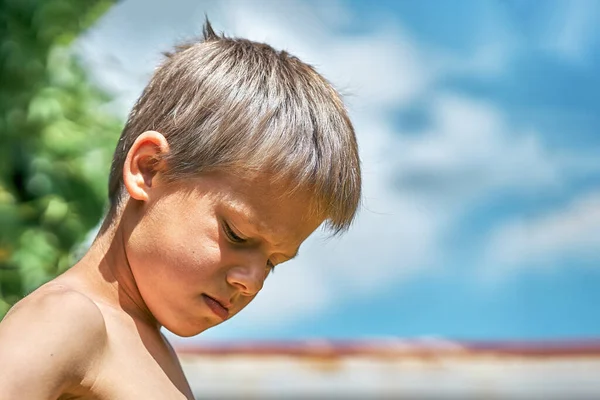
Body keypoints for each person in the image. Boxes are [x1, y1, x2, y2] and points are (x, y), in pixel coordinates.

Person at [0, 19, 361, 399]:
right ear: (149, 169)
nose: (252, 282)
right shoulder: (70, 320)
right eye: (236, 234)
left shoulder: (145, 348)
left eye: (273, 262)